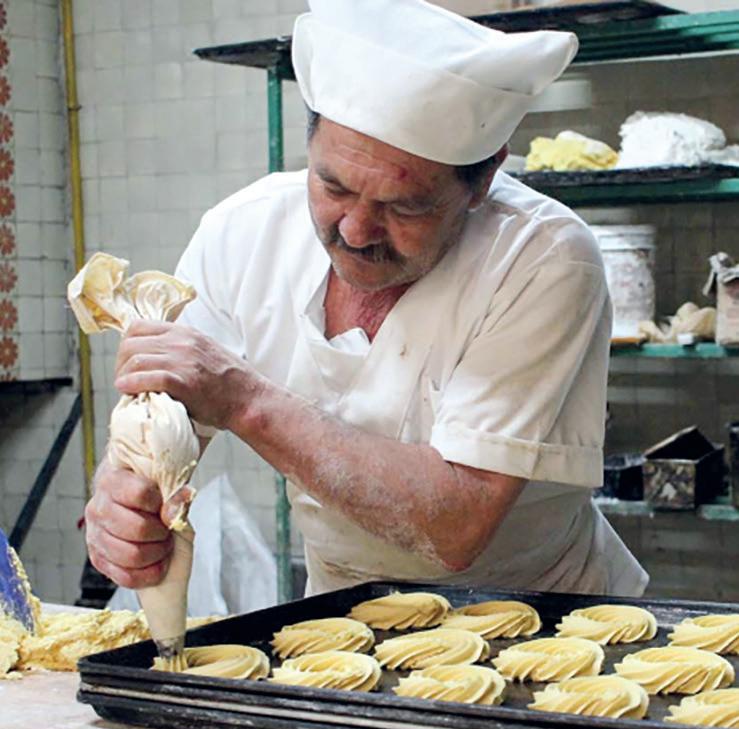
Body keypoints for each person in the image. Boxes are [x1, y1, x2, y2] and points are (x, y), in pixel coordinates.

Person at [87, 0, 648, 598]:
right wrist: (120, 502)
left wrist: (244, 400)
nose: (355, 232)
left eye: (404, 207)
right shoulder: (243, 232)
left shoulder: (541, 257)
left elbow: (456, 525)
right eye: (333, 186)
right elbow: (157, 430)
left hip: (539, 613)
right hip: (343, 614)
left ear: (481, 182)